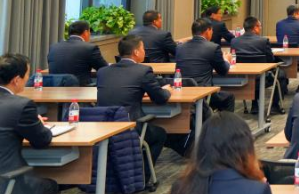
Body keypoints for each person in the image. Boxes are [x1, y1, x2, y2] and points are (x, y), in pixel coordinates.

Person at [0, 53, 57, 194]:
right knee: (49, 187)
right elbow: (42, 141)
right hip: (5, 186)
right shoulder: (21, 105)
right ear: (16, 80)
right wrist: (36, 123)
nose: (27, 80)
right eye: (26, 76)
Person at [96, 34, 172, 170]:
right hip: (129, 124)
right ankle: (144, 174)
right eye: (143, 49)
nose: (144, 52)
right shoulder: (143, 71)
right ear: (136, 52)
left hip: (102, 125)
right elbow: (160, 98)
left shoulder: (103, 71)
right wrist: (167, 90)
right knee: (160, 134)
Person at [176, 18, 235, 113]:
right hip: (203, 93)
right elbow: (223, 70)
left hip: (182, 91)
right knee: (229, 97)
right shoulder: (212, 47)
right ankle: (221, 121)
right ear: (208, 31)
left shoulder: (180, 47)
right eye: (212, 30)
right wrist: (226, 60)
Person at [232, 16, 285, 115]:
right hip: (261, 78)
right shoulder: (263, 41)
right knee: (281, 75)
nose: (260, 28)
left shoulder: (234, 41)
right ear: (255, 27)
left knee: (255, 74)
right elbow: (270, 60)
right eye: (260, 26)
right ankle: (274, 106)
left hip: (242, 78)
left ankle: (255, 105)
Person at [46, 20, 107, 86]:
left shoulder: (54, 47)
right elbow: (105, 69)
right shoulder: (89, 48)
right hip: (80, 90)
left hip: (54, 90)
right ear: (86, 32)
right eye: (90, 32)